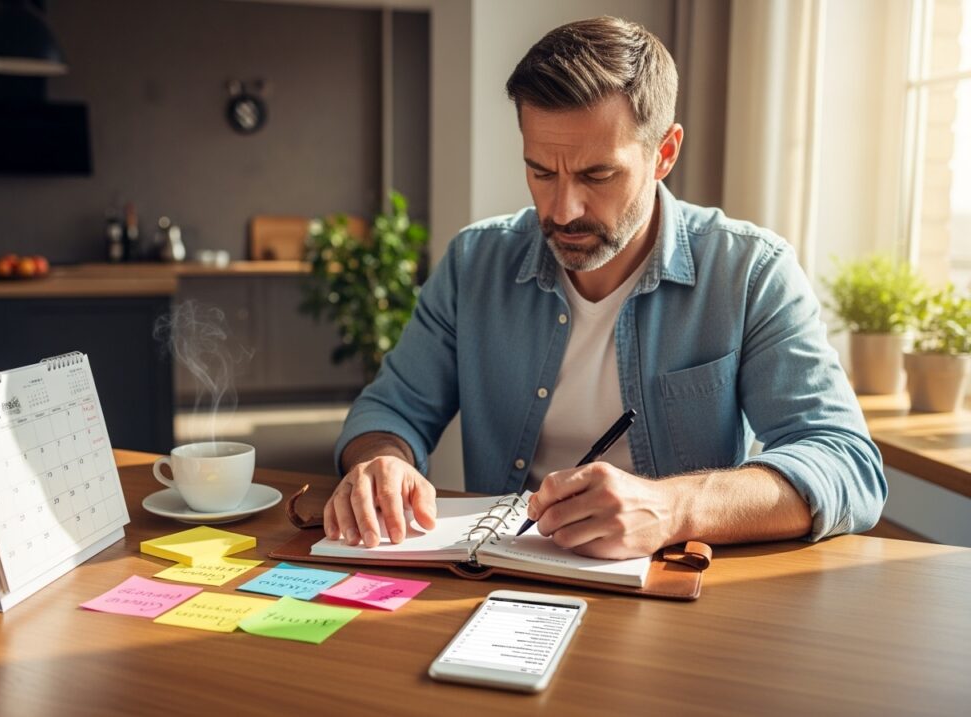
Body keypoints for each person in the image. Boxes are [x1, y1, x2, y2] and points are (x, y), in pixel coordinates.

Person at [322, 16, 886, 560]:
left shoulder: (749, 271)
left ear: (664, 153)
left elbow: (847, 463)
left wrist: (673, 508)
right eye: (541, 172)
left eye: (598, 175)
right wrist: (381, 461)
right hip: (500, 573)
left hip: (672, 590)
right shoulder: (476, 263)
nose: (563, 209)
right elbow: (389, 410)